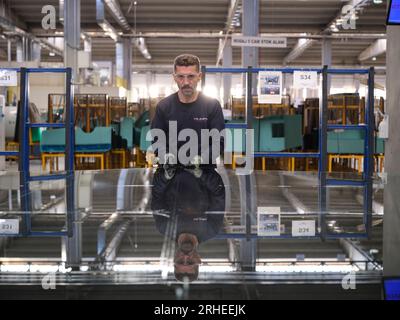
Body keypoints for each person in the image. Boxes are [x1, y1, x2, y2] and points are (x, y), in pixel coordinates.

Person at [150, 54, 226, 281]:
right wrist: (170, 162)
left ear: (199, 77)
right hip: (193, 174)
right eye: (181, 77)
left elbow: (219, 142)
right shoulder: (164, 107)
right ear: (175, 78)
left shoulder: (211, 106)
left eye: (191, 76)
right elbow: (219, 195)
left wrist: (198, 164)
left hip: (197, 170)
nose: (186, 82)